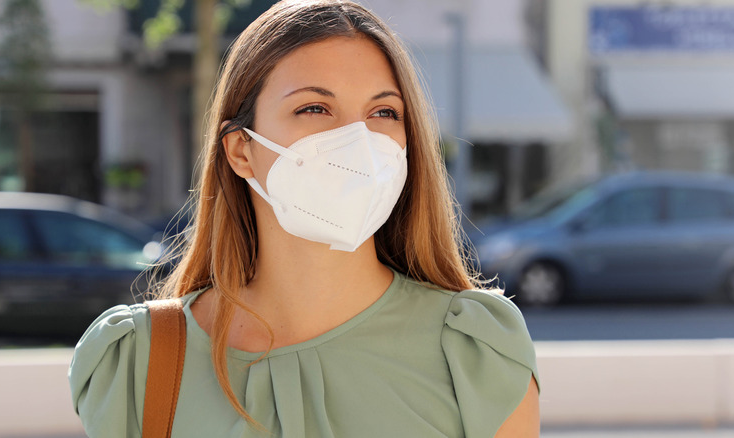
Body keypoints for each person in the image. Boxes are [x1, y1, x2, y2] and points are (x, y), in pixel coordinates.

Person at [68, 1, 540, 437]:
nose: (358, 140)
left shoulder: (474, 352)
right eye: (314, 108)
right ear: (241, 151)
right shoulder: (139, 361)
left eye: (384, 112)